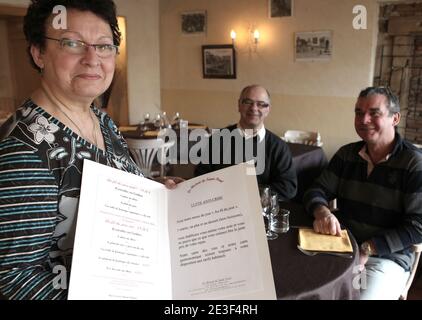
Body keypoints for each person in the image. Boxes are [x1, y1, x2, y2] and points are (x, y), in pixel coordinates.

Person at [0, 0, 178, 300]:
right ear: (38, 52)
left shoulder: (101, 120)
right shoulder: (24, 151)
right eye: (72, 43)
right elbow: (14, 278)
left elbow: (119, 189)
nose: (92, 58)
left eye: (104, 46)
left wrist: (157, 191)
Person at [304, 86, 422, 300]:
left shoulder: (414, 163)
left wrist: (368, 248)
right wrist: (322, 212)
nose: (363, 119)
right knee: (302, 285)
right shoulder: (347, 154)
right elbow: (316, 189)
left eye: (374, 113)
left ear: (394, 118)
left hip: (385, 259)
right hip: (340, 249)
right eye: (359, 112)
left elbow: (419, 225)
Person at [194, 85, 297, 201]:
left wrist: (247, 194)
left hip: (261, 212)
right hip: (221, 208)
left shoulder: (278, 147)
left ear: (268, 110)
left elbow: (288, 187)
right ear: (239, 105)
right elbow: (200, 177)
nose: (253, 108)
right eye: (248, 102)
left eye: (261, 104)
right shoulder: (217, 139)